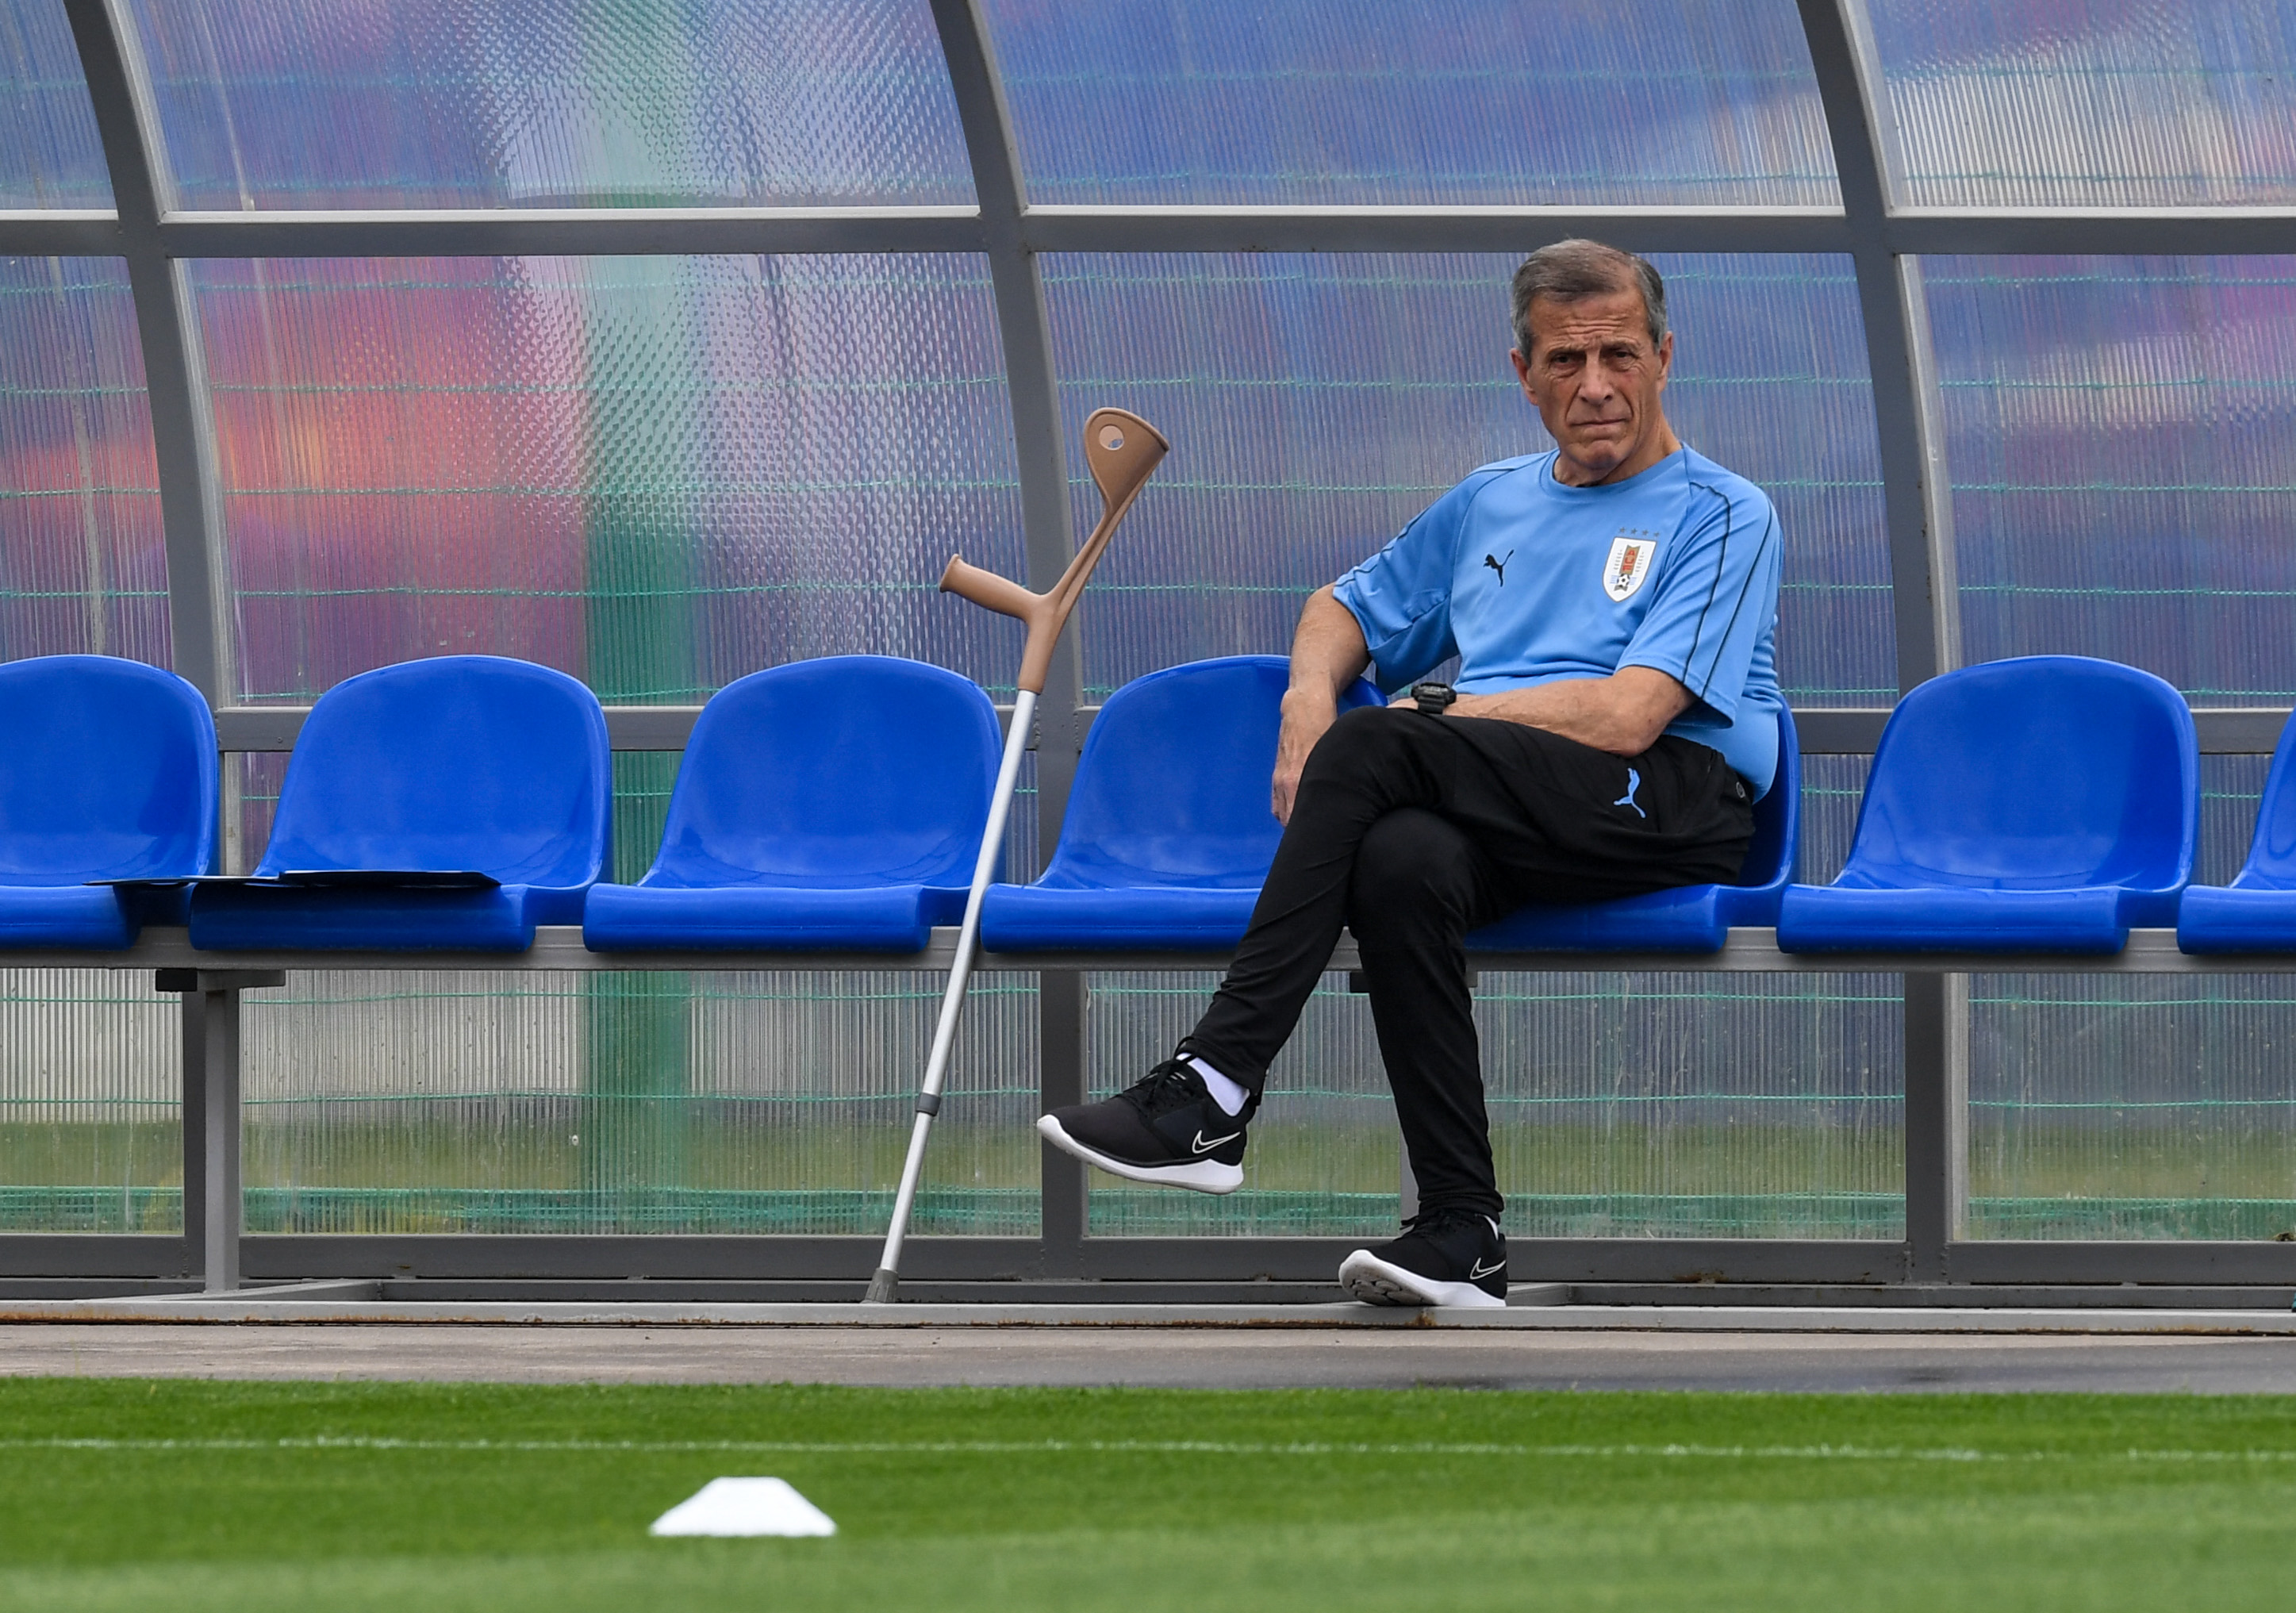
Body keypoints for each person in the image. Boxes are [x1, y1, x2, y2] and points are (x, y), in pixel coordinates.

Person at [1037, 240, 1784, 1308]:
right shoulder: (1489, 502)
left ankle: (1210, 1084)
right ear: (1520, 372)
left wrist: (1427, 710)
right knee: (1400, 858)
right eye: (1564, 363)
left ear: (1665, 356)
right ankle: (1459, 1229)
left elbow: (1629, 715)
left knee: (1384, 742)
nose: (1596, 386)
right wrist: (1307, 700)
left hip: (1666, 796)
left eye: (1619, 354)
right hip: (1510, 799)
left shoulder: (1723, 512)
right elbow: (1342, 607)